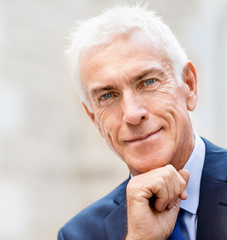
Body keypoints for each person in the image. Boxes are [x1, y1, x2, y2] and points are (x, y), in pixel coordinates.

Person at [58, 5, 227, 240]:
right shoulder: (79, 234)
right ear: (94, 119)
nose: (132, 114)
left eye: (148, 82)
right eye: (107, 96)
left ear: (189, 85)